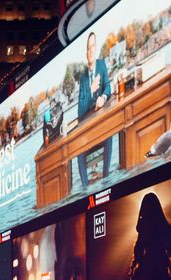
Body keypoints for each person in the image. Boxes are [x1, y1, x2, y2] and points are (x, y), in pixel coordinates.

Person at [76, 32, 113, 188]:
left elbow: (108, 87)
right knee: (79, 153)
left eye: (93, 47)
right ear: (86, 53)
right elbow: (80, 111)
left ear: (96, 49)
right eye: (88, 48)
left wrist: (103, 98)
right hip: (88, 132)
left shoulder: (101, 65)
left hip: (101, 125)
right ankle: (85, 191)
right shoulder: (83, 78)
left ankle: (105, 181)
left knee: (109, 136)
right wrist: (91, 91)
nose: (90, 50)